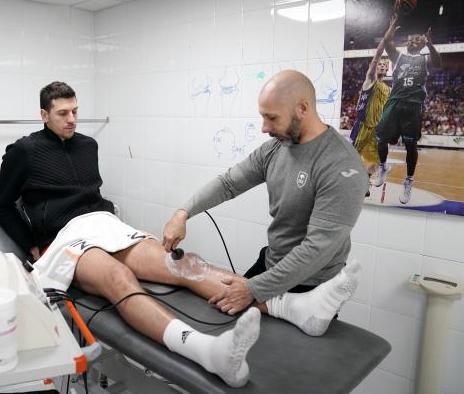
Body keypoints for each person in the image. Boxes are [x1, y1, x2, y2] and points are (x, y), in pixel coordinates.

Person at [0, 81, 360, 387]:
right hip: (67, 238)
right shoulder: (24, 151)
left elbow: (88, 191)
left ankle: (293, 307)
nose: (72, 119)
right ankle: (204, 350)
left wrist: (113, 217)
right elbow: (1, 205)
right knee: (119, 277)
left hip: (103, 225)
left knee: (182, 264)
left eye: (76, 111)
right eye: (63, 113)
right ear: (44, 115)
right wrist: (33, 247)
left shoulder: (88, 145)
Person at [163, 70, 367, 331]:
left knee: (281, 362)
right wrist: (182, 214)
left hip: (312, 283)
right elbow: (228, 183)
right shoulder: (276, 147)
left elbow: (317, 249)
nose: (264, 128)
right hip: (271, 262)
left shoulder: (341, 166)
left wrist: (254, 289)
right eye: (263, 117)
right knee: (225, 327)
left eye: (272, 118)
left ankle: (297, 309)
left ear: (303, 108)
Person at [373, 19, 442, 204]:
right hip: (394, 103)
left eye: (420, 39)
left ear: (422, 44)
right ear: (408, 43)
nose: (415, 40)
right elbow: (387, 44)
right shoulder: (399, 57)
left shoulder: (425, 59)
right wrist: (391, 28)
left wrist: (431, 45)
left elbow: (438, 64)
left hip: (412, 106)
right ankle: (383, 167)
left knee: (411, 146)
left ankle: (409, 180)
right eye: (414, 39)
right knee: (381, 138)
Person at [349, 17, 394, 196]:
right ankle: (341, 183)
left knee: (374, 161)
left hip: (378, 128)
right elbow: (376, 57)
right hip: (363, 126)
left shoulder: (388, 89)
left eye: (386, 63)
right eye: (380, 63)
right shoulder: (371, 79)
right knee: (350, 158)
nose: (383, 64)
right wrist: (387, 38)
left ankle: (365, 183)